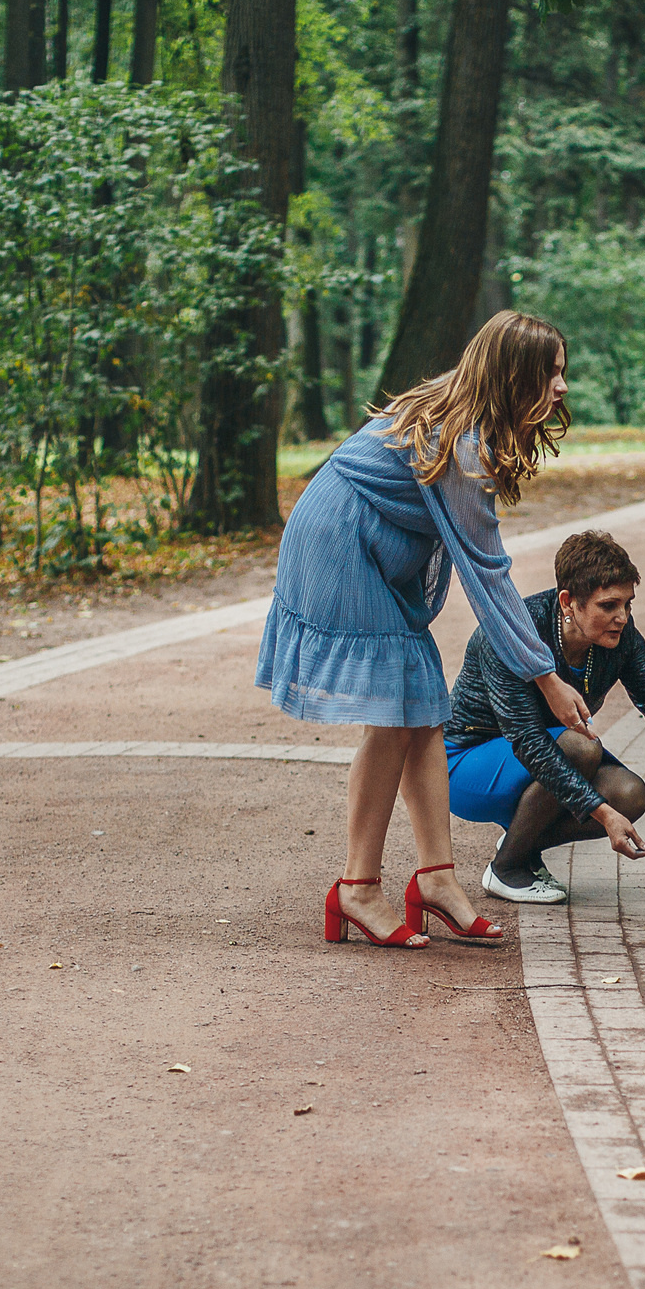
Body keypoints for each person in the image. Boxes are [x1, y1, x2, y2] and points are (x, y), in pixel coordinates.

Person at [259, 310, 592, 949]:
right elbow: (487, 574)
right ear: (513, 375)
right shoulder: (462, 441)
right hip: (340, 544)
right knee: (393, 714)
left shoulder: (470, 419)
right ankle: (356, 888)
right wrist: (545, 676)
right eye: (551, 373)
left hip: (368, 540)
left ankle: (436, 878)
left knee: (424, 711)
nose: (562, 387)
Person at [444, 530, 645, 904]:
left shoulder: (621, 638)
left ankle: (517, 843)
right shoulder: (512, 632)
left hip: (541, 761)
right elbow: (528, 740)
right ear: (568, 602)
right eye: (608, 606)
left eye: (628, 604)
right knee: (583, 749)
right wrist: (601, 814)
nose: (621, 617)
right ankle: (507, 869)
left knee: (629, 795)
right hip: (465, 761)